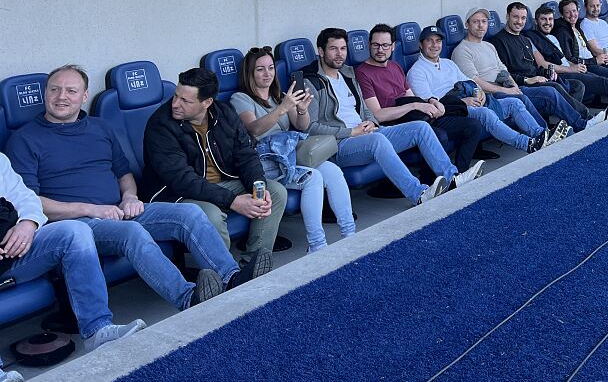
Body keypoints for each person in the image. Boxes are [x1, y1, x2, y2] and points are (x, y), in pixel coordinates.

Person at [8, 65, 255, 315]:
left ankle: (231, 278)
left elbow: (123, 172)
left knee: (189, 214)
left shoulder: (100, 127)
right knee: (131, 232)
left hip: (119, 210)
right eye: (55, 90)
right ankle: (189, 298)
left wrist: (129, 197)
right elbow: (29, 202)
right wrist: (92, 209)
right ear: (45, 93)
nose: (62, 97)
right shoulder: (25, 139)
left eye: (71, 91)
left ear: (84, 96)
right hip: (78, 224)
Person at [1, 151, 145, 382]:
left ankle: (97, 329)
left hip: (13, 248)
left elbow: (26, 199)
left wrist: (28, 223)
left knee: (74, 232)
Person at [295, 28, 455, 206]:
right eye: (333, 49)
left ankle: (452, 177)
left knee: (421, 127)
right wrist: (351, 132)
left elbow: (365, 109)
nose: (339, 54)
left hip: (367, 132)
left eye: (343, 49)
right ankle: (418, 193)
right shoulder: (310, 82)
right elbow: (311, 128)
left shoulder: (348, 74)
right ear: (321, 51)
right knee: (377, 140)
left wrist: (371, 122)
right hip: (339, 143)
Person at [143, 68, 285, 268]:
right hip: (176, 193)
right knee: (211, 215)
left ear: (207, 103)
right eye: (176, 96)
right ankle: (227, 275)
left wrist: (257, 185)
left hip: (220, 184)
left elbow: (245, 153)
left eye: (186, 101)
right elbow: (181, 180)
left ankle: (253, 266)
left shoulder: (224, 112)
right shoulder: (161, 125)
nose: (175, 104)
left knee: (274, 192)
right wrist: (233, 200)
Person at [231, 49, 356, 254]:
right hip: (264, 160)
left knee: (332, 171)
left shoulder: (278, 96)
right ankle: (317, 245)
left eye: (271, 68)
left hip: (287, 154)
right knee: (313, 177)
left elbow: (301, 125)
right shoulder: (241, 98)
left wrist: (302, 109)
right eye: (260, 69)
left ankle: (349, 233)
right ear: (250, 73)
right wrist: (282, 108)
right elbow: (253, 129)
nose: (267, 74)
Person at [355, 25, 485, 182]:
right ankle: (432, 181)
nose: (380, 50)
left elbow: (410, 97)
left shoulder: (395, 66)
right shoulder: (363, 72)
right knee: (439, 135)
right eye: (376, 45)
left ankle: (460, 173)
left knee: (472, 126)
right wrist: (415, 106)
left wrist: (430, 102)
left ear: (393, 46)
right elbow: (378, 115)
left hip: (415, 116)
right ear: (369, 45)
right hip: (394, 123)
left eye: (385, 45)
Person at [407, 26, 550, 154]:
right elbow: (429, 103)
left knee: (514, 103)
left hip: (470, 100)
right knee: (484, 113)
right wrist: (463, 102)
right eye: (429, 41)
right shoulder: (417, 71)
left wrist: (480, 92)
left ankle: (540, 134)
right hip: (452, 111)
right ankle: (526, 143)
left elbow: (469, 82)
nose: (434, 45)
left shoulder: (448, 63)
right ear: (420, 44)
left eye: (438, 41)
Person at [454, 8, 575, 139]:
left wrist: (514, 87)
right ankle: (543, 135)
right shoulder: (462, 50)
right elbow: (474, 81)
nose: (480, 25)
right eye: (475, 22)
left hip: (506, 87)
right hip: (491, 95)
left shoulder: (489, 46)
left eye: (484, 21)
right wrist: (507, 91)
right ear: (467, 25)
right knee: (521, 99)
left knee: (550, 91)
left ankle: (579, 124)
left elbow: (503, 70)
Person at [486, 4, 600, 131]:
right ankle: (584, 120)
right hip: (523, 83)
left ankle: (565, 121)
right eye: (515, 17)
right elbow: (504, 74)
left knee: (577, 85)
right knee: (553, 87)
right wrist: (528, 79)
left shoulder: (525, 39)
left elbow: (533, 66)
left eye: (523, 18)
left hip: (537, 78)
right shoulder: (498, 41)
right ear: (507, 17)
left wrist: (547, 73)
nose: (519, 21)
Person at [529, 5, 608, 108]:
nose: (547, 23)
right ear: (536, 21)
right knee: (603, 82)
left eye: (550, 19)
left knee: (606, 80)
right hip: (561, 74)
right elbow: (543, 64)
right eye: (543, 19)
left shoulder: (552, 37)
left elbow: (564, 59)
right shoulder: (533, 38)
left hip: (574, 68)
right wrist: (572, 68)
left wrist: (575, 66)